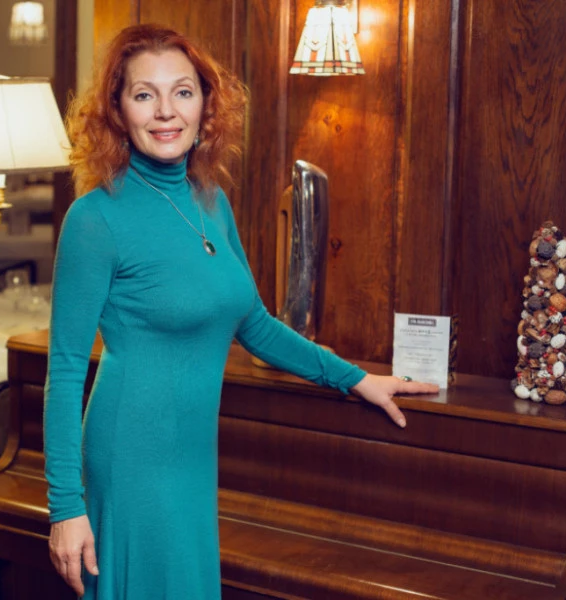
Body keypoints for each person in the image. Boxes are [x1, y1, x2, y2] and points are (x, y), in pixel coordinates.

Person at [45, 23, 438, 600]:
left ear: (205, 105)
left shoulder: (211, 201)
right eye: (144, 94)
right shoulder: (94, 219)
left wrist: (356, 379)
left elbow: (253, 324)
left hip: (192, 456)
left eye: (182, 91)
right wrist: (65, 507)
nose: (165, 111)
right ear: (117, 111)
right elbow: (63, 370)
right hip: (131, 456)